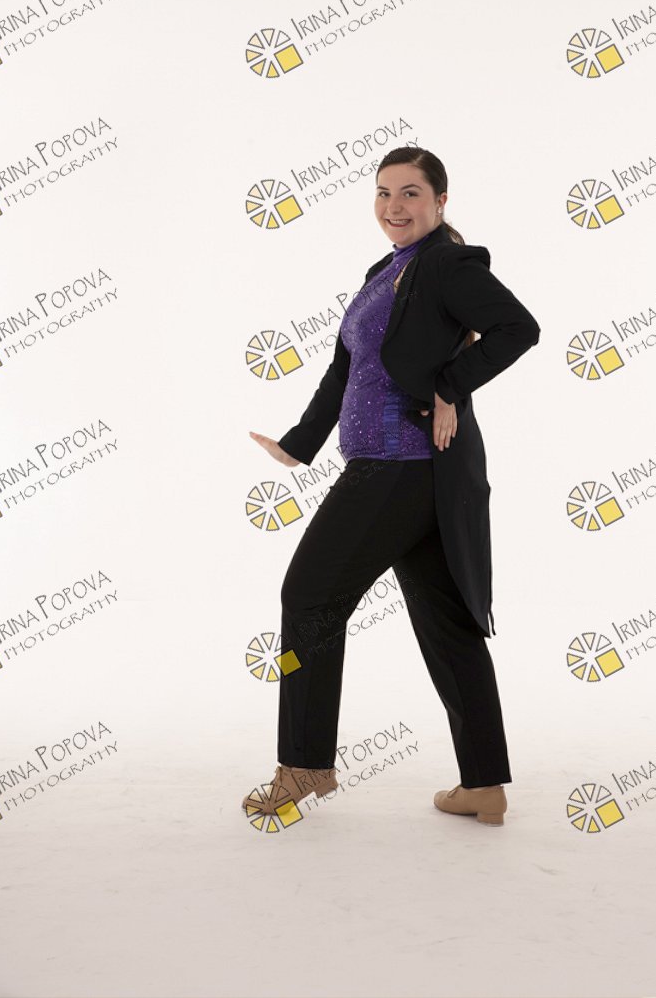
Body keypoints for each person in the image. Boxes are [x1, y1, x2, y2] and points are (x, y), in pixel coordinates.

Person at [244, 147, 540, 827]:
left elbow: (517, 328)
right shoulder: (386, 271)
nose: (394, 206)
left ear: (440, 201)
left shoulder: (445, 264)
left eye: (410, 192)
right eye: (383, 192)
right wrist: (300, 441)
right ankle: (484, 784)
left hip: (399, 464)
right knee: (447, 623)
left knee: (309, 595)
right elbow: (346, 369)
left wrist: (449, 386)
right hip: (406, 470)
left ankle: (303, 766)